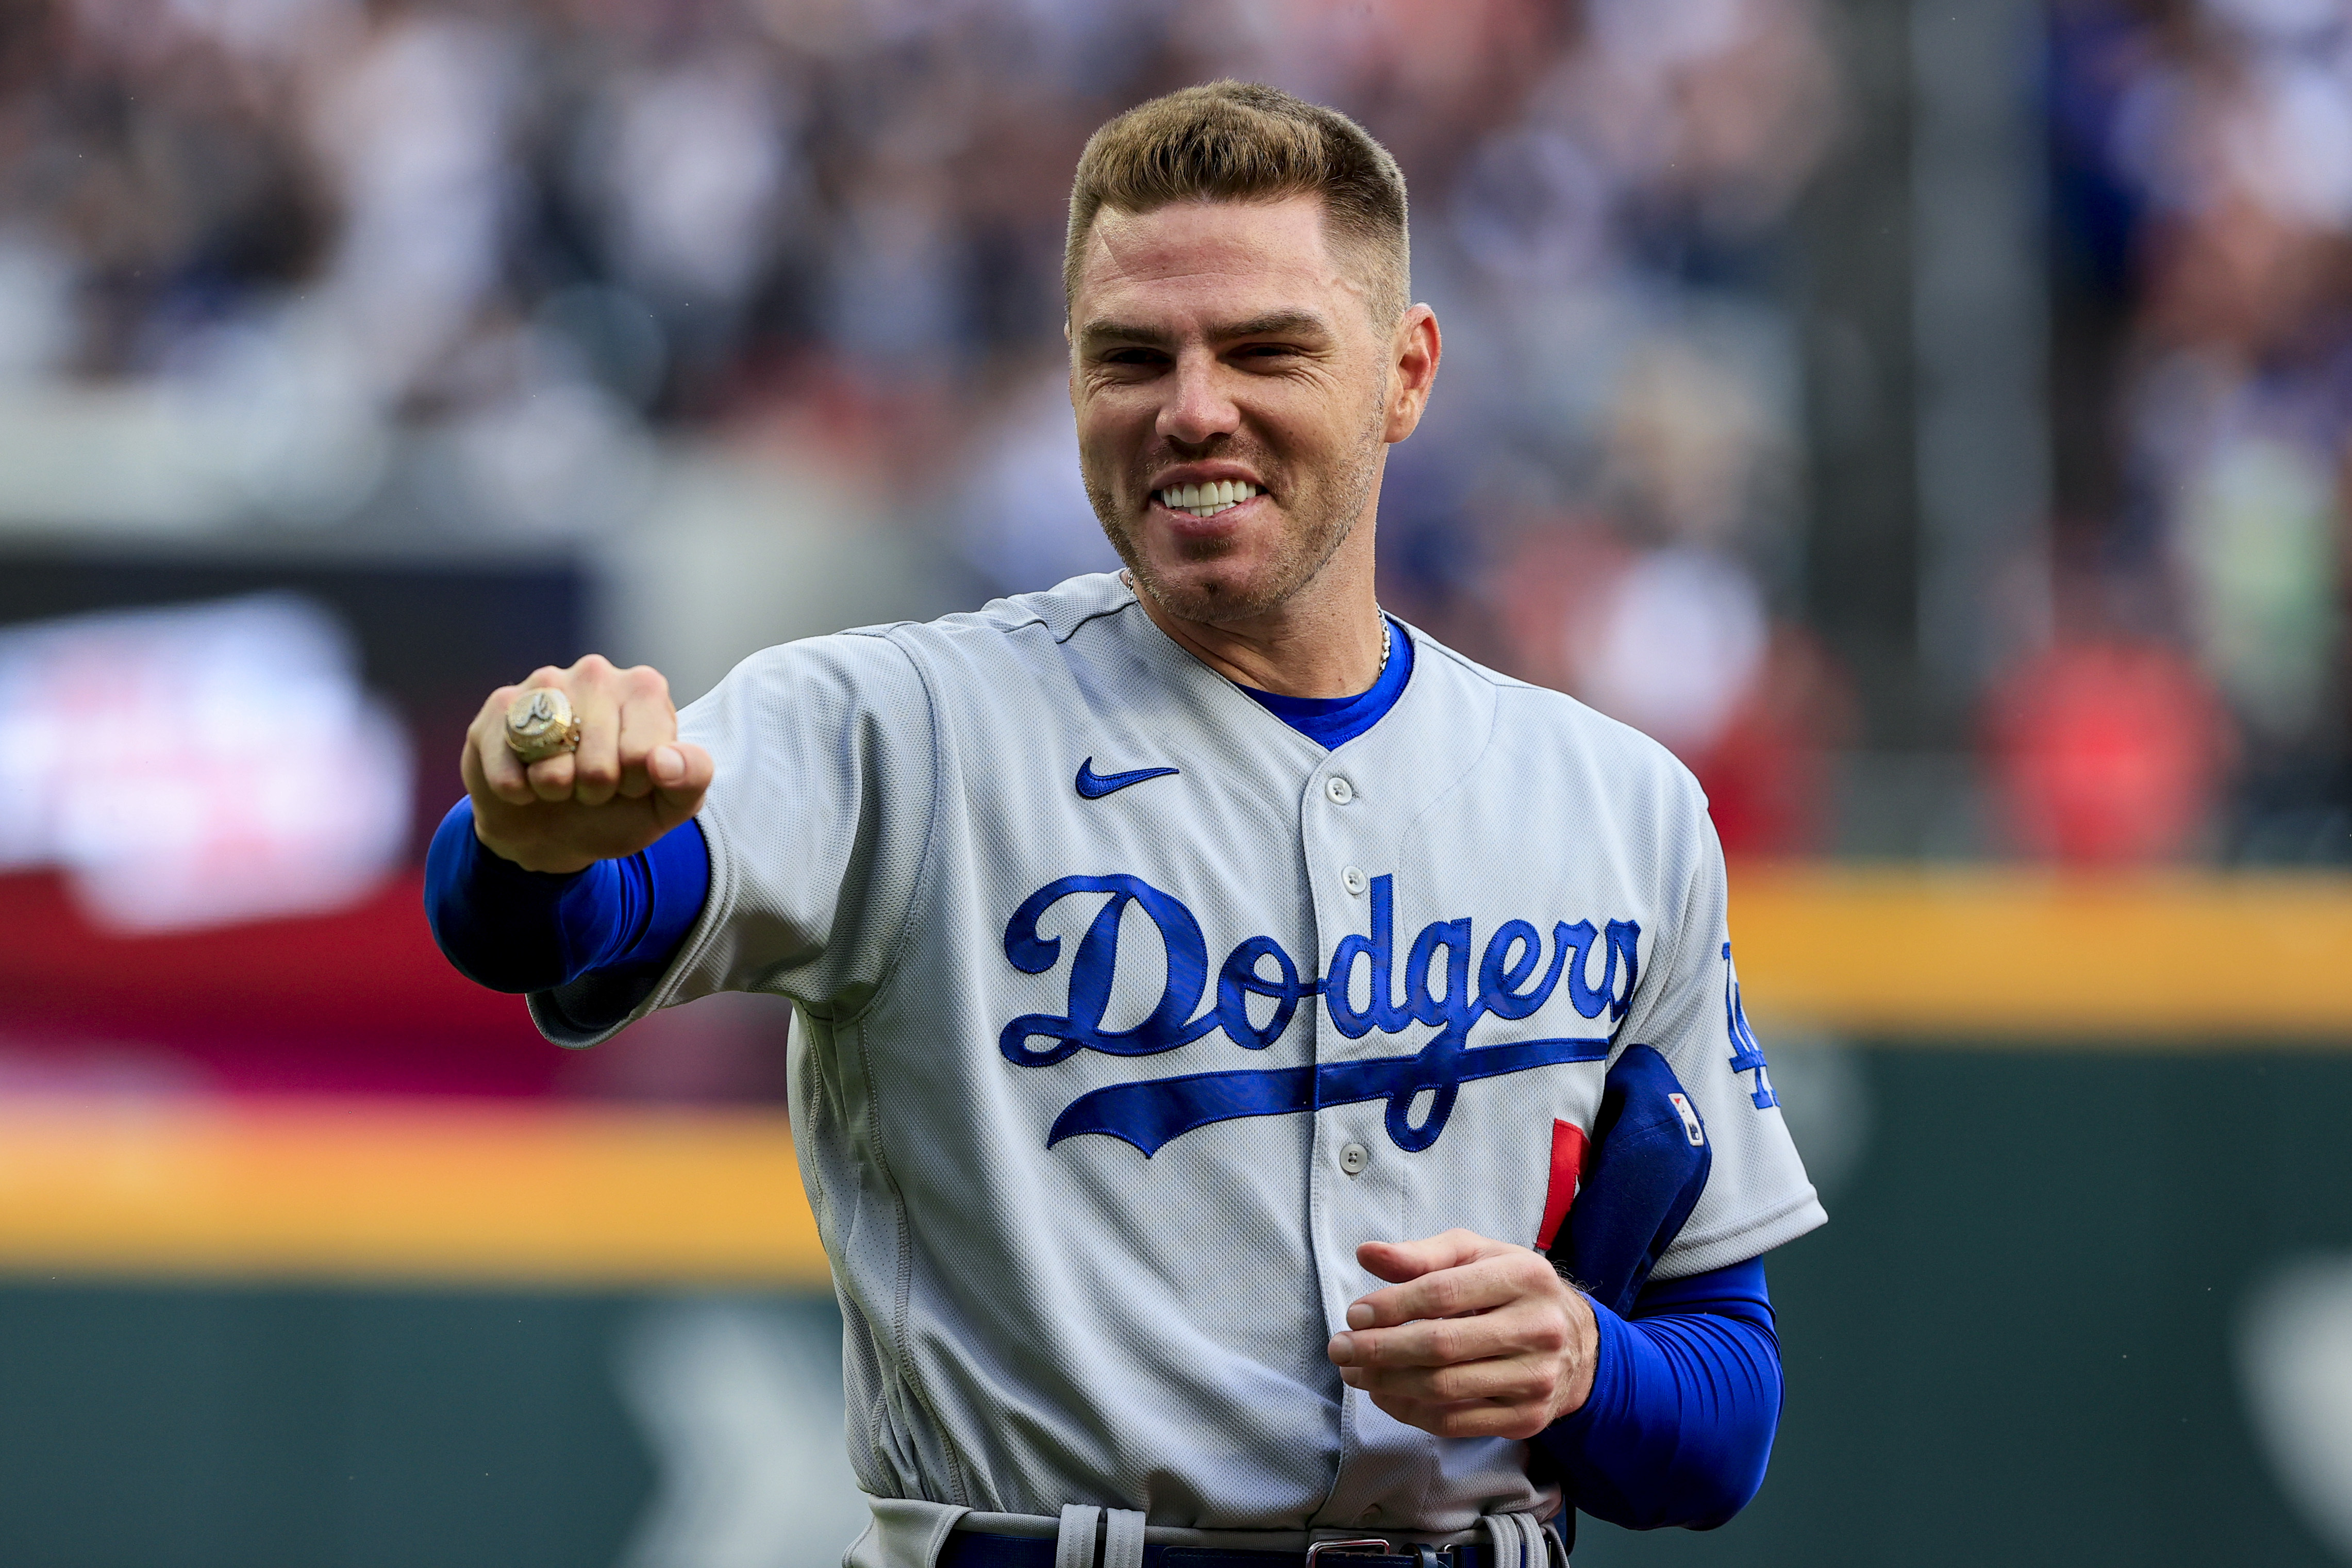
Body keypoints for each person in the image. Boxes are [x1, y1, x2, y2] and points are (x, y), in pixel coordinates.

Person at [427, 81, 1823, 1566]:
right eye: (1132, 357)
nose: (1194, 406)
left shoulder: (1617, 801)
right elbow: (556, 914)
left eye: (1268, 348)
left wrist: (1591, 1369)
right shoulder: (905, 722)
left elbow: (1724, 1413)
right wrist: (531, 824)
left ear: (1405, 374)